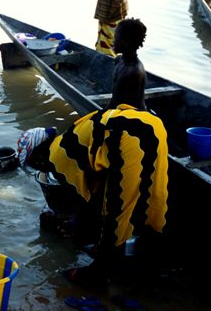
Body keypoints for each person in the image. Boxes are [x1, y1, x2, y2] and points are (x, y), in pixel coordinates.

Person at [17, 21, 168, 287]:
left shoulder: (134, 70)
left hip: (132, 132)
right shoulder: (119, 63)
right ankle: (110, 248)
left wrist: (74, 216)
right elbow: (111, 107)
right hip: (123, 128)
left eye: (119, 38)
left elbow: (123, 110)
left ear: (132, 42)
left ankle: (99, 272)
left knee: (121, 206)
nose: (114, 41)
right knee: (116, 194)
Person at [106, 18, 147, 111]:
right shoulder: (119, 60)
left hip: (132, 118)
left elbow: (116, 105)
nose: (113, 41)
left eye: (116, 38)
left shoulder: (131, 72)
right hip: (120, 110)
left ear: (126, 42)